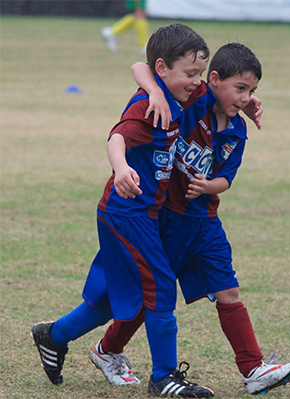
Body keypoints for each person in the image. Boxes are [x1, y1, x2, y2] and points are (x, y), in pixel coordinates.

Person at [93, 42, 290, 396]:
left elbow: (227, 179)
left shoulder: (237, 131)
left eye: (252, 91)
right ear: (215, 80)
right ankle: (108, 348)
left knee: (229, 289)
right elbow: (140, 68)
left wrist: (210, 185)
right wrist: (153, 92)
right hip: (168, 220)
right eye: (240, 89)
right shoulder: (196, 99)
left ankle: (253, 369)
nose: (245, 97)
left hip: (206, 222)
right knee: (153, 298)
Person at [31, 23, 215, 398]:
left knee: (115, 298)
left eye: (200, 74)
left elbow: (140, 65)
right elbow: (117, 136)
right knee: (161, 285)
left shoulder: (176, 94)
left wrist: (243, 101)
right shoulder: (149, 105)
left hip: (143, 215)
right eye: (191, 74)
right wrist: (121, 168)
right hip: (125, 214)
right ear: (163, 69)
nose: (197, 82)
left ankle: (54, 335)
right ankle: (164, 378)